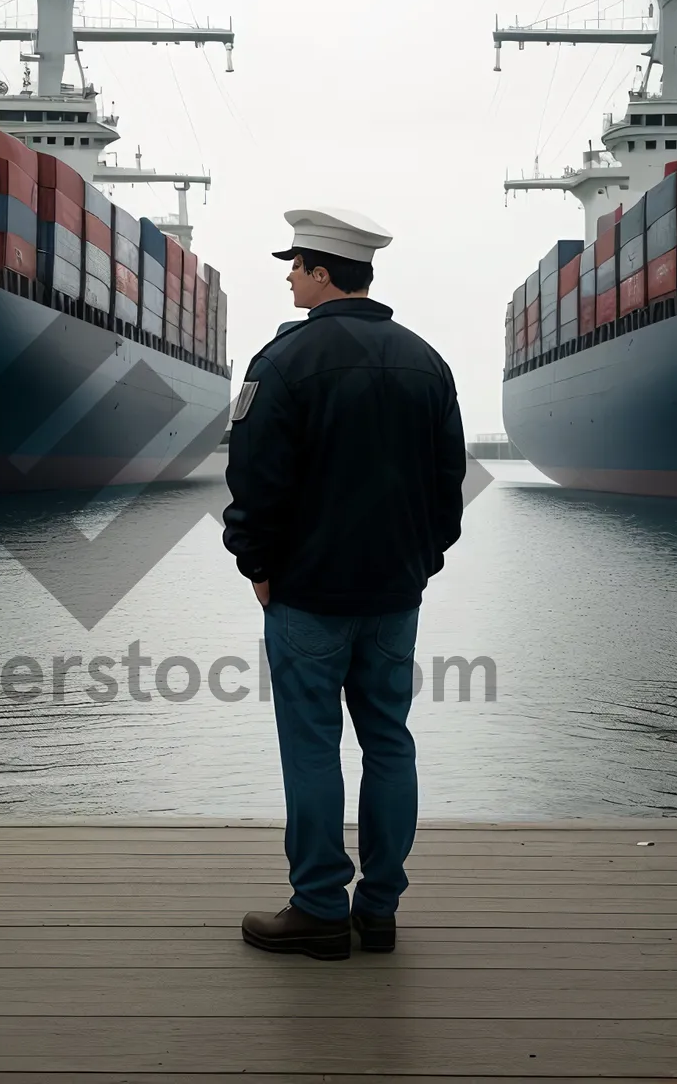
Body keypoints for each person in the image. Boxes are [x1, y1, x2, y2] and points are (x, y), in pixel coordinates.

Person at [222, 206, 466, 961]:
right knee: (391, 742)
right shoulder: (428, 361)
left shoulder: (281, 361)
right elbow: (449, 484)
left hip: (307, 593)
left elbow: (254, 478)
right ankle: (380, 911)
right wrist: (419, 564)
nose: (289, 277)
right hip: (395, 595)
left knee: (313, 748)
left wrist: (256, 564)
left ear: (324, 272)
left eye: (294, 265)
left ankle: (321, 910)